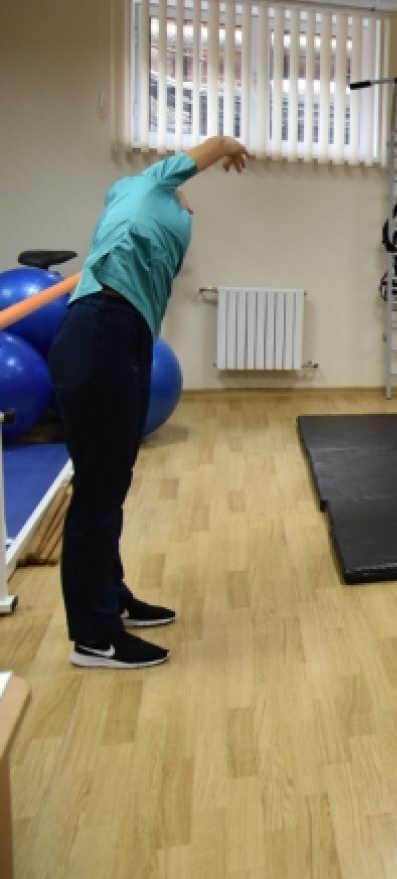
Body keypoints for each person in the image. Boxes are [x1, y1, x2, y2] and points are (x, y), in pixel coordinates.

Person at [49, 135, 250, 669]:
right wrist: (230, 146)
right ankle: (95, 637)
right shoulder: (146, 185)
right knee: (97, 493)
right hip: (101, 331)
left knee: (111, 484)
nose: (186, 201)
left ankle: (111, 599)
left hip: (123, 334)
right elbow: (211, 147)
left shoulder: (159, 220)